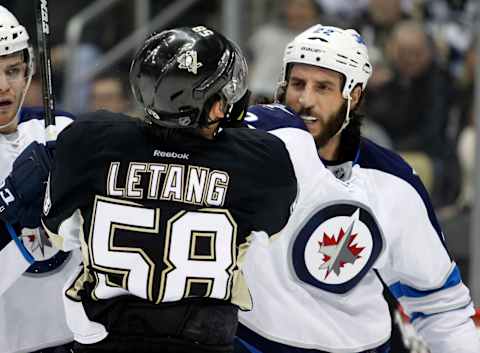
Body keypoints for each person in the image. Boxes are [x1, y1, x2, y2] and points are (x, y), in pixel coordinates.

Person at [39, 26, 365, 353]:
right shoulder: (260, 159)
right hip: (203, 339)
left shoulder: (90, 139)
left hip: (102, 338)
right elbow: (274, 225)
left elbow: (59, 235)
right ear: (212, 107)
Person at [237, 24, 480, 353]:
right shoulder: (241, 155)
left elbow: (442, 311)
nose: (304, 100)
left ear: (353, 95)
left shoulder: (392, 182)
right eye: (297, 84)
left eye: (323, 87)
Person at [0, 5, 81, 353]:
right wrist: (10, 201)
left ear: (29, 70)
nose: (3, 87)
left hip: (80, 340)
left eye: (12, 70)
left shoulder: (64, 130)